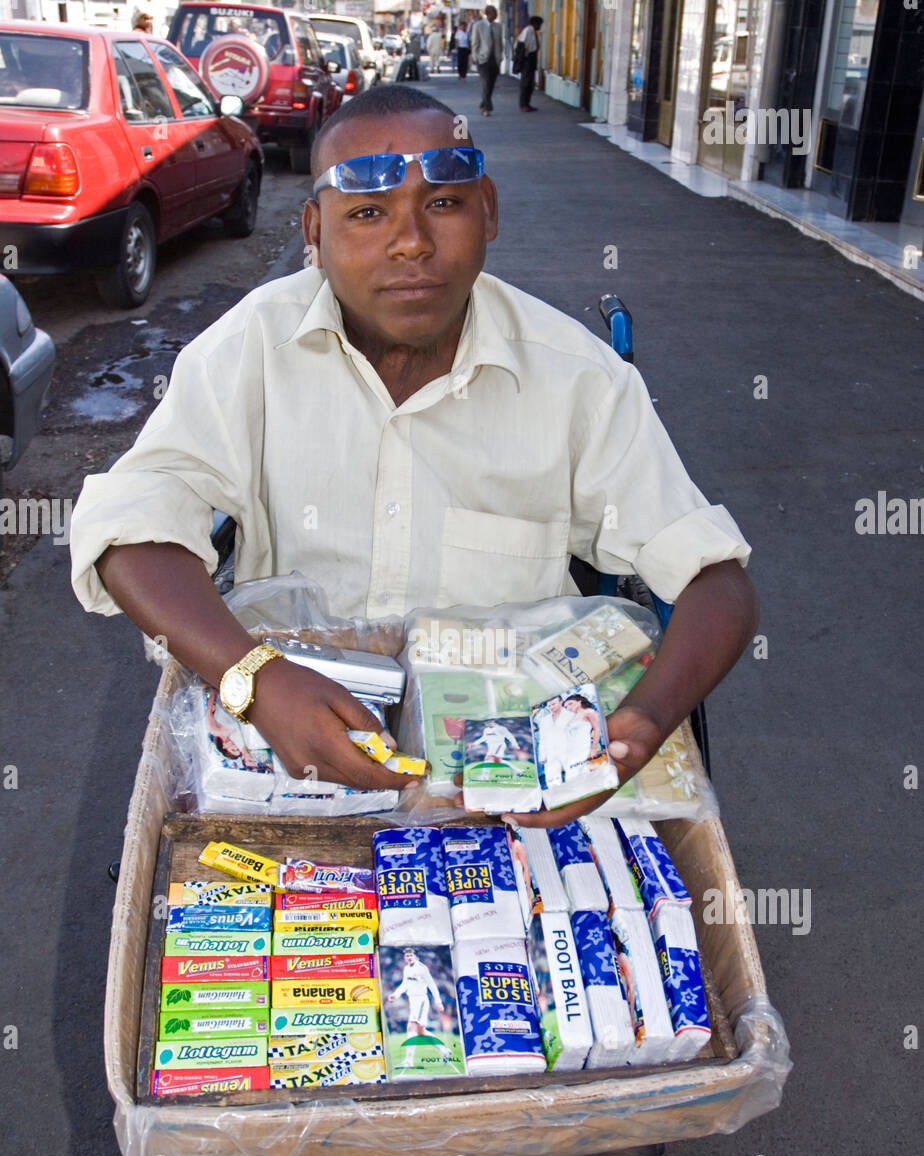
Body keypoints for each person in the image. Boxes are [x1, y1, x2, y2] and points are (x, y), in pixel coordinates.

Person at [69, 85, 758, 831]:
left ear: (488, 211)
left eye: (443, 205)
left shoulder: (580, 378)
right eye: (367, 213)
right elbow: (129, 529)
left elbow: (716, 584)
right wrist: (253, 679)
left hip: (513, 791)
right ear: (314, 230)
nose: (411, 244)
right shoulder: (247, 353)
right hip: (287, 759)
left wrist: (640, 728)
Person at [470, 5, 502, 116]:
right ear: (488, 14)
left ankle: (483, 104)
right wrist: (475, 57)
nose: (496, 15)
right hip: (483, 59)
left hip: (495, 60)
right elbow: (475, 43)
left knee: (491, 84)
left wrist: (500, 58)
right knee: (486, 83)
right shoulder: (478, 26)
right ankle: (486, 108)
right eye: (494, 13)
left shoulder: (498, 27)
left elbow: (500, 44)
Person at [517, 14, 542, 112]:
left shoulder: (532, 31)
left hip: (531, 60)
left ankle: (527, 103)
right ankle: (523, 104)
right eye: (539, 24)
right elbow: (524, 46)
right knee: (526, 83)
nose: (540, 27)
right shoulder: (529, 30)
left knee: (530, 83)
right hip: (527, 60)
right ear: (535, 23)